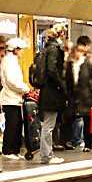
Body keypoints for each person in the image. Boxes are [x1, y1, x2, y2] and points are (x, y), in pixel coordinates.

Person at [34, 24, 68, 164]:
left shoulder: (47, 48)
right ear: (61, 35)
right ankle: (46, 155)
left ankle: (47, 154)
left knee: (48, 124)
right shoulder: (54, 49)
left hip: (47, 90)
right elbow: (52, 70)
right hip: (52, 91)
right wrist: (61, 84)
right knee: (48, 125)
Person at [66, 35, 92, 151]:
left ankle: (88, 144)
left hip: (86, 96)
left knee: (87, 121)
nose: (79, 53)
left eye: (81, 51)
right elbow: (67, 81)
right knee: (70, 119)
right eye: (77, 51)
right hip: (73, 96)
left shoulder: (88, 64)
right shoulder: (70, 65)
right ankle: (71, 141)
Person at [0, 35, 31, 160]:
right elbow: (12, 81)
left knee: (17, 123)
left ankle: (15, 150)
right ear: (16, 49)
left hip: (14, 98)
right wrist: (25, 89)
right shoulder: (9, 61)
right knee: (12, 124)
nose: (22, 52)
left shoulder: (11, 60)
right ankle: (8, 150)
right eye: (21, 49)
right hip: (10, 98)